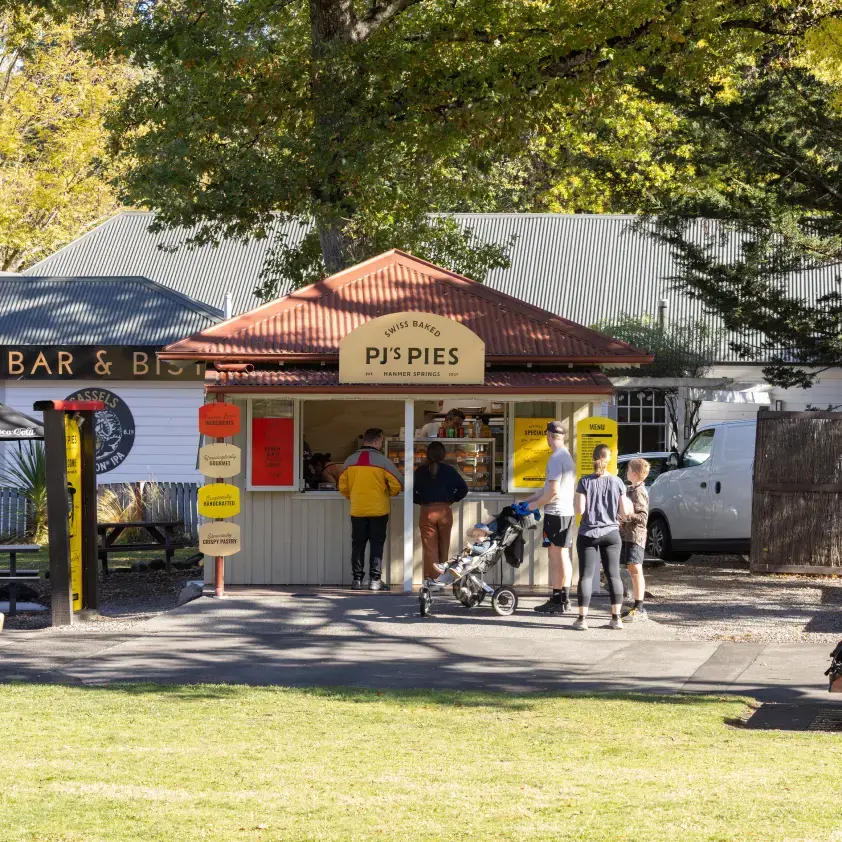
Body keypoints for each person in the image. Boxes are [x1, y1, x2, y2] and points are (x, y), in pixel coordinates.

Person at [573, 444, 632, 630]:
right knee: (613, 575)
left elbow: (579, 510)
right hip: (611, 534)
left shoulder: (584, 482)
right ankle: (616, 619)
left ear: (593, 458)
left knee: (586, 576)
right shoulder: (618, 482)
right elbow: (623, 512)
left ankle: (582, 619)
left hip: (588, 534)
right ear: (609, 459)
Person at [338, 428, 403, 590]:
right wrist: (389, 493)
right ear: (377, 441)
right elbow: (398, 484)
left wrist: (353, 497)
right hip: (378, 510)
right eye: (381, 441)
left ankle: (357, 580)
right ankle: (375, 581)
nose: (381, 444)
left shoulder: (349, 461)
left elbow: (342, 487)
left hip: (357, 509)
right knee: (376, 545)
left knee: (358, 545)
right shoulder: (384, 462)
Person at [526, 421, 576, 614]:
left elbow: (553, 492)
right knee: (563, 555)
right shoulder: (566, 457)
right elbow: (548, 488)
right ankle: (565, 598)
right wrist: (530, 499)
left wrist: (533, 506)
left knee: (555, 557)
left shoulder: (555, 458)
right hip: (566, 512)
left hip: (555, 513)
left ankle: (557, 599)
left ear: (548, 436)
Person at [414, 441, 469, 579]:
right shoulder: (449, 470)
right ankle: (442, 577)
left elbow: (410, 491)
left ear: (427, 455)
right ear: (443, 455)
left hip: (427, 511)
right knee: (444, 546)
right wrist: (451, 499)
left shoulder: (420, 471)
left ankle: (432, 578)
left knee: (430, 548)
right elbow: (464, 489)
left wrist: (420, 501)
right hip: (445, 510)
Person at [620, 457, 651, 621]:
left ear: (635, 473)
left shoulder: (639, 492)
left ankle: (639, 607)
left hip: (636, 536)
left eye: (629, 470)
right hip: (628, 535)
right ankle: (634, 603)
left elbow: (643, 517)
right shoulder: (631, 489)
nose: (626, 472)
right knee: (631, 568)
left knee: (636, 569)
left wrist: (628, 516)